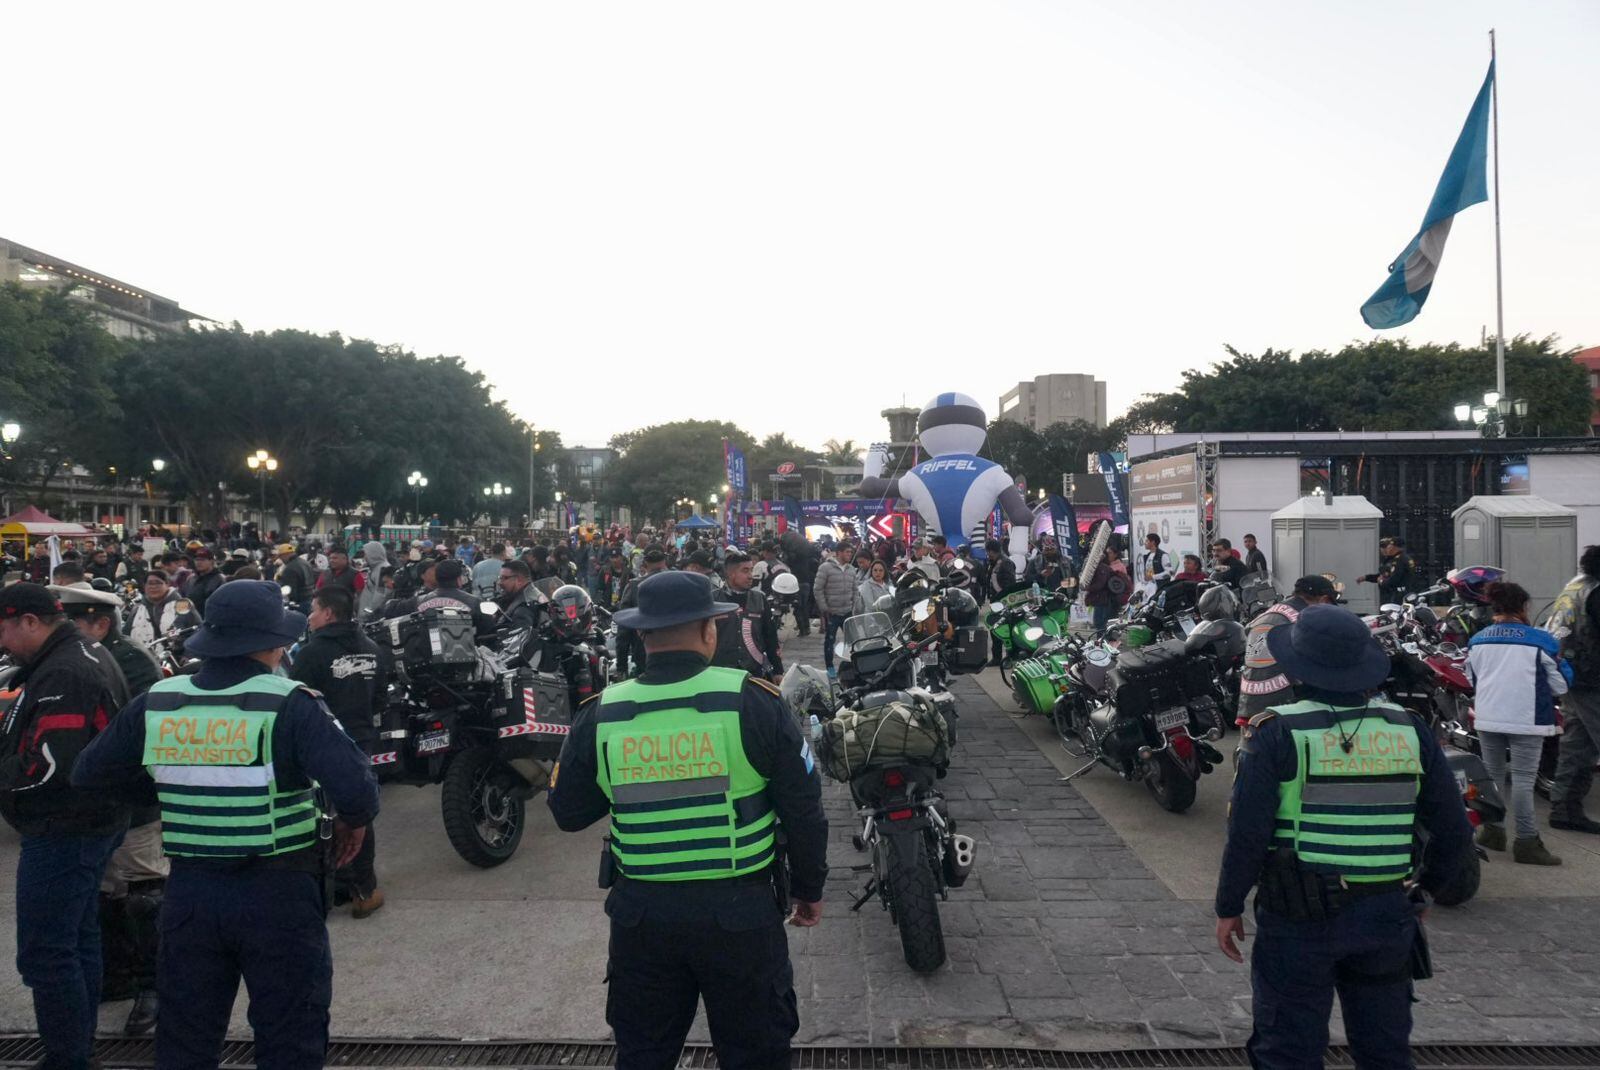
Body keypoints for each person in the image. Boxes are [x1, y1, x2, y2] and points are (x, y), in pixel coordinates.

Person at [72, 580, 380, 1069]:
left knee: (187, 1034)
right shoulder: (289, 701)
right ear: (269, 643)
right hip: (279, 894)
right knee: (289, 1030)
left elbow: (90, 773)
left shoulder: (160, 699)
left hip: (190, 894)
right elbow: (357, 787)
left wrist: (167, 789)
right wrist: (354, 822)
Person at [547, 570, 827, 1069]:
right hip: (741, 916)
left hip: (642, 920)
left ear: (642, 634)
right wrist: (809, 890)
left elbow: (568, 813)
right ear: (708, 630)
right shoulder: (753, 701)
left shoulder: (601, 713)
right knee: (756, 1055)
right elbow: (804, 811)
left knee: (645, 1055)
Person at [1215, 604, 1472, 1070]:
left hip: (1298, 918)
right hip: (1386, 914)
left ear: (1296, 669)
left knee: (1288, 1048)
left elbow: (1248, 835)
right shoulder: (1409, 729)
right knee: (1385, 1049)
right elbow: (1454, 832)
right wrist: (1426, 890)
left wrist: (1228, 906)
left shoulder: (1276, 732)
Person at [0, 584, 128, 1068]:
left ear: (30, 621)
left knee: (46, 954)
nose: (3, 643)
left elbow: (51, 764)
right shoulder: (83, 650)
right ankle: (76, 1049)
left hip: (66, 825)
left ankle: (68, 1057)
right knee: (77, 940)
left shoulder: (65, 669)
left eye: (4, 630)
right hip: (93, 819)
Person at [52, 581, 166, 1035]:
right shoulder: (71, 659)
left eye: (72, 621)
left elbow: (131, 730)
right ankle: (116, 976)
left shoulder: (130, 660)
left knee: (144, 893)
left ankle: (155, 987)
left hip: (131, 797)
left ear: (99, 623)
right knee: (106, 895)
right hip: (92, 801)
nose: (64, 629)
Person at [293, 586, 390, 912]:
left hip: (320, 742)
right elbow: (381, 698)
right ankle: (362, 889)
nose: (309, 617)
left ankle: (340, 886)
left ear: (329, 614)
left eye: (313, 610)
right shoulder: (374, 649)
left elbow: (298, 701)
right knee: (357, 810)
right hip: (360, 740)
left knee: (321, 812)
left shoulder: (309, 653)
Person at [1464, 581, 1568, 865]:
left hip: (1487, 716)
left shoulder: (1478, 639)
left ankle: (1493, 832)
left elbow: (1471, 679)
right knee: (1522, 780)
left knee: (1492, 776)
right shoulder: (1542, 640)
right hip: (1528, 718)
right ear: (1523, 607)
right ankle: (1527, 842)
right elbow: (1561, 684)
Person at [1236, 575, 1339, 726]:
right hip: (1286, 710)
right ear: (1324, 600)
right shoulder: (1309, 620)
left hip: (1248, 706)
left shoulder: (1264, 615)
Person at [1547, 545, 1600, 833]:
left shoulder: (1574, 585)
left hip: (1567, 672)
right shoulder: (1596, 592)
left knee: (1577, 745)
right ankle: (1566, 807)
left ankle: (1564, 809)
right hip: (1592, 677)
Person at [714, 549, 784, 680]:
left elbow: (770, 637)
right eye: (745, 571)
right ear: (730, 574)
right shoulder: (714, 600)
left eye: (751, 570)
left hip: (754, 673)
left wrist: (778, 670)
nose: (751, 575)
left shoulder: (760, 599)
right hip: (721, 674)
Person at [615, 548, 668, 679]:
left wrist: (621, 666)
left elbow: (624, 629)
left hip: (644, 653)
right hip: (678, 654)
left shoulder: (633, 587)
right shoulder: (678, 583)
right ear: (665, 563)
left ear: (645, 565)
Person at [124, 569, 202, 651]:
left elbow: (198, 630)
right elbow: (126, 635)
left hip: (175, 659)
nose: (153, 587)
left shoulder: (182, 604)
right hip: (144, 659)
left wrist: (188, 655)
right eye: (150, 583)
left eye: (158, 583)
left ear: (167, 584)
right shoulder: (137, 608)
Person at [813, 541, 858, 679]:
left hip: (848, 611)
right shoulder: (826, 568)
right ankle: (830, 666)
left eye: (851, 552)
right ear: (839, 553)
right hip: (832, 612)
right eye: (847, 552)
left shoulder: (851, 569)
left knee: (853, 641)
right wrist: (824, 607)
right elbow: (818, 588)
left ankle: (854, 665)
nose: (849, 555)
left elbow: (855, 590)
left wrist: (854, 605)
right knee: (829, 641)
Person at [1083, 544, 1130, 635]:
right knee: (1101, 623)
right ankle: (1103, 641)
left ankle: (1103, 642)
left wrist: (1087, 588)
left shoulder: (1102, 568)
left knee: (1101, 623)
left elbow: (1100, 584)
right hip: (1102, 599)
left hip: (1104, 599)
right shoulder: (1103, 567)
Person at [1358, 537, 1416, 604]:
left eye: (1390, 546)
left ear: (1395, 547)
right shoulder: (1392, 559)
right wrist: (1367, 578)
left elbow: (1394, 579)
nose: (1388, 548)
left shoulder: (1400, 560)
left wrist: (1381, 581)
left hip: (1398, 595)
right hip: (1392, 594)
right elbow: (1384, 575)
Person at [497, 558, 546, 631]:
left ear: (519, 580)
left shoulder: (523, 607)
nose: (499, 582)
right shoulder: (534, 594)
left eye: (504, 578)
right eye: (500, 578)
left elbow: (520, 638)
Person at [275, 543, 317, 614]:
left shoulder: (290, 568)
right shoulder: (305, 563)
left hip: (299, 603)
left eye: (280, 556)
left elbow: (290, 591)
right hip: (310, 600)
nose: (280, 559)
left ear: (286, 554)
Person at [185, 546, 226, 617]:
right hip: (192, 620)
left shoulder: (220, 579)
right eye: (197, 560)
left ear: (212, 561)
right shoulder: (191, 579)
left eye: (203, 560)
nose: (198, 562)